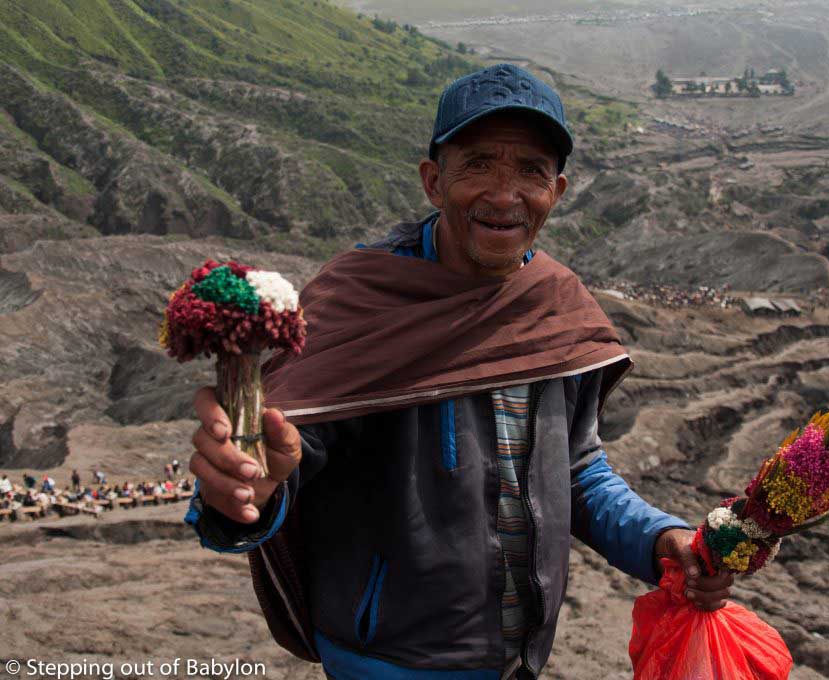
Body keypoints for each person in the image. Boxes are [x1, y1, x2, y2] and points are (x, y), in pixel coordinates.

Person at [185, 64, 733, 679]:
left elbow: (577, 470)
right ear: (433, 181)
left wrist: (660, 540)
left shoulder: (555, 307)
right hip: (386, 664)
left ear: (558, 190)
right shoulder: (359, 302)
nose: (505, 195)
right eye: (478, 165)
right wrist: (241, 492)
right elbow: (282, 460)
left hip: (516, 660)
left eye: (531, 170)